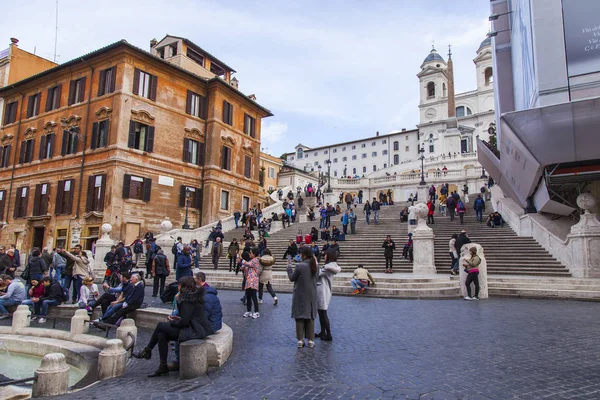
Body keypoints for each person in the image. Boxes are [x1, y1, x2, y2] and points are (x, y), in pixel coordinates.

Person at [133, 276, 213, 377]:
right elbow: (187, 317)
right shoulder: (193, 297)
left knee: (161, 326)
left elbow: (184, 322)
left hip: (193, 331)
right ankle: (162, 366)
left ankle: (147, 350)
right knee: (161, 334)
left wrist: (173, 321)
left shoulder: (187, 300)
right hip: (195, 328)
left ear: (183, 286)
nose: (177, 287)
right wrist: (177, 318)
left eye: (179, 285)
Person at [287, 246, 318, 348]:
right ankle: (310, 340)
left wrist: (289, 268)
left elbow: (292, 278)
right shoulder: (315, 266)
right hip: (312, 294)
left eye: (300, 254)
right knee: (310, 317)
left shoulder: (300, 266)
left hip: (300, 294)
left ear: (303, 255)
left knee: (300, 317)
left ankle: (300, 340)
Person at [316, 248, 341, 342]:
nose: (324, 256)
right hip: (323, 289)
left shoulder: (328, 267)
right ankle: (323, 332)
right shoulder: (330, 266)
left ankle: (328, 334)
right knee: (321, 312)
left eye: (325, 255)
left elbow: (317, 274)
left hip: (323, 290)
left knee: (323, 313)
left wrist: (315, 263)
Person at [240, 247, 261, 318]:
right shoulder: (251, 260)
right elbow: (245, 267)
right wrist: (242, 266)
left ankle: (256, 312)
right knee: (248, 296)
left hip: (253, 281)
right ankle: (248, 311)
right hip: (249, 280)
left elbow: (248, 264)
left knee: (254, 296)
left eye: (251, 253)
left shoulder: (255, 260)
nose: (250, 254)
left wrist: (241, 260)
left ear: (254, 254)